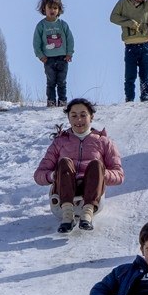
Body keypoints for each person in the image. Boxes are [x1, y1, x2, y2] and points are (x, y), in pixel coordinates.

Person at [33, 98, 123, 232]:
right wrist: (53, 175)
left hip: (92, 199)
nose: (78, 120)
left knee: (96, 165)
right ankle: (68, 216)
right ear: (69, 119)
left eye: (83, 115)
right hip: (62, 199)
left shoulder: (104, 142)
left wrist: (102, 174)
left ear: (91, 117)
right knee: (64, 162)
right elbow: (39, 174)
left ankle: (87, 214)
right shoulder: (60, 142)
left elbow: (119, 175)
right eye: (74, 116)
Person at [33, 0, 74, 107]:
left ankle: (62, 103)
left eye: (55, 8)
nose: (52, 10)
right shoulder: (41, 26)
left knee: (62, 82)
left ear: (59, 10)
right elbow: (36, 42)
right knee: (51, 82)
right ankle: (51, 102)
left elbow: (70, 39)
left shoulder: (63, 25)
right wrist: (40, 55)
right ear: (44, 9)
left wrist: (69, 53)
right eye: (50, 7)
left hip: (62, 58)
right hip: (48, 59)